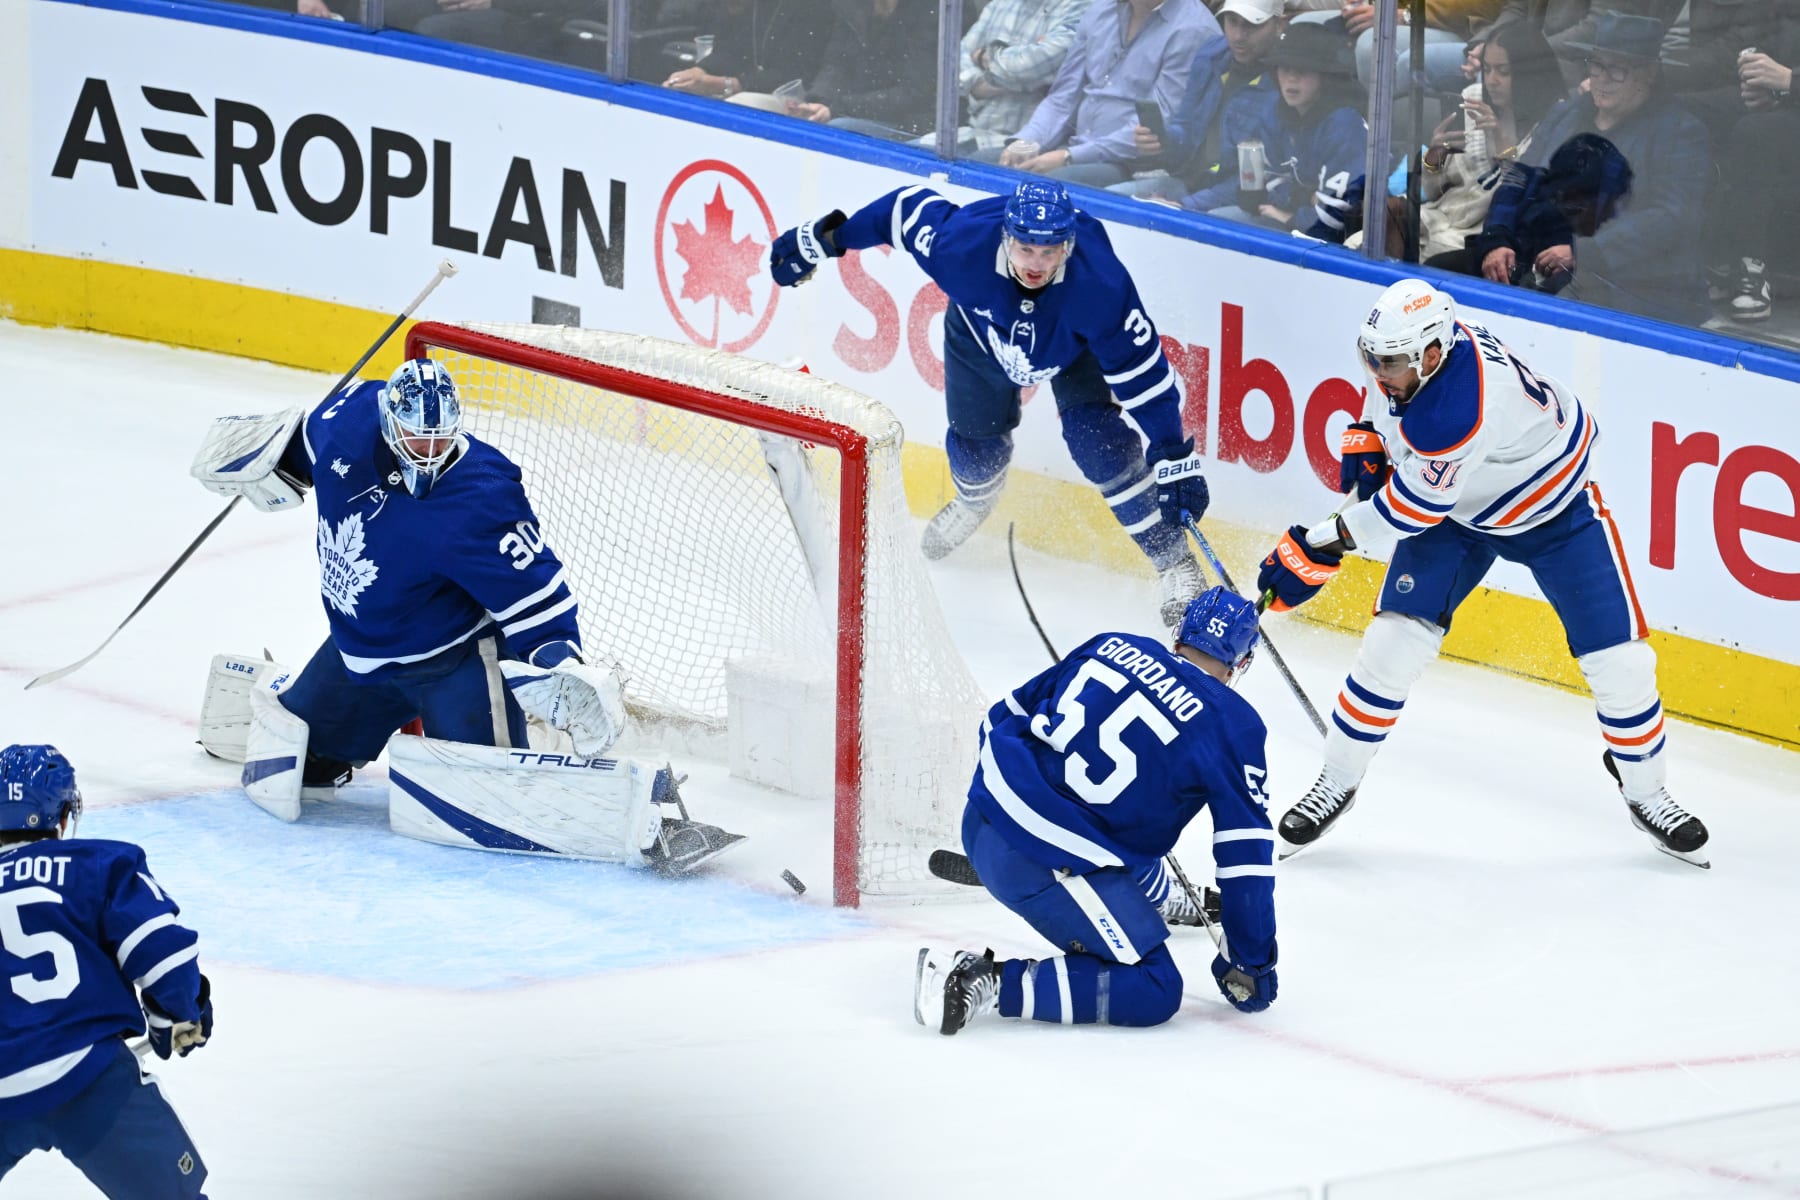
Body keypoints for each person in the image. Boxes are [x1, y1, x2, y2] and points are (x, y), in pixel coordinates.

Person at [1254, 278, 1711, 868]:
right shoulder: (1423, 359)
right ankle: (1336, 782)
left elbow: (1413, 510)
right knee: (1391, 647)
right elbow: (1391, 402)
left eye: (1390, 363)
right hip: (1461, 512)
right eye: (1373, 359)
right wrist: (1369, 430)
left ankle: (1647, 793)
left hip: (1553, 513)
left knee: (1622, 664)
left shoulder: (1461, 408)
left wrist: (1324, 540)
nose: (1378, 372)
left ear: (1433, 354)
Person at [190, 359, 626, 822]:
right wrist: (267, 462)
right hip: (360, 655)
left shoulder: (482, 496)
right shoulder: (348, 424)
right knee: (301, 770)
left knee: (489, 802)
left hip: (455, 663)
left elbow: (537, 593)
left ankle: (535, 734)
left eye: (441, 436)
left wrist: (563, 664)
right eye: (418, 435)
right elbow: (303, 448)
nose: (430, 449)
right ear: (388, 420)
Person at [769, 180, 1212, 626]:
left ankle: (1175, 562)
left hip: (1075, 348)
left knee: (1097, 443)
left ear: (1069, 244)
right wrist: (825, 240)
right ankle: (973, 502)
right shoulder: (962, 245)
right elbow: (899, 213)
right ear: (1005, 235)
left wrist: (1171, 451)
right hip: (981, 336)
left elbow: (1146, 379)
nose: (1035, 264)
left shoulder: (1101, 286)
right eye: (1024, 248)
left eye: (1049, 251)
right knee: (976, 452)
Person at [913, 587, 1278, 1035]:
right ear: (1240, 663)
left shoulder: (1112, 644)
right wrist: (1250, 963)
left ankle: (1159, 898)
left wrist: (1007, 815)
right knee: (1156, 985)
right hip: (1043, 865)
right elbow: (1246, 860)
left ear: (1180, 633)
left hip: (980, 817)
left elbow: (997, 718)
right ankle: (987, 980)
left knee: (1127, 826)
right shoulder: (1233, 724)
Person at [0, 745, 214, 1198]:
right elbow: (165, 958)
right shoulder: (99, 864)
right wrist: (176, 1009)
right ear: (61, 815)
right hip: (90, 1078)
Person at [1476, 11, 1712, 325]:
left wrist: (1585, 252)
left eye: (1617, 71)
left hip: (1635, 288)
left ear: (1649, 74)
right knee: (1451, 276)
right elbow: (1519, 177)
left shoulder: (1680, 131)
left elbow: (1673, 217)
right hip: (1543, 267)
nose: (1601, 79)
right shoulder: (1566, 113)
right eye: (1596, 65)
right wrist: (1498, 238)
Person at [985, 0, 1218, 187]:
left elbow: (1154, 125)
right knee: (982, 162)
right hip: (1071, 146)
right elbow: (1062, 97)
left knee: (1048, 187)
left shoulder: (1193, 29)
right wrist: (1026, 142)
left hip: (1135, 164)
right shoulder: (1099, 10)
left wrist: (1069, 156)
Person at [1173, 24, 1367, 237]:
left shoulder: (1345, 125)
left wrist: (1291, 217)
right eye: (1284, 69)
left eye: (1301, 70)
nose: (1291, 79)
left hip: (1340, 243)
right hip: (1297, 221)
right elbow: (1263, 184)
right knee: (1215, 223)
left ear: (1324, 77)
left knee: (1225, 227)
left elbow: (1341, 216)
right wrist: (1302, 197)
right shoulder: (1275, 114)